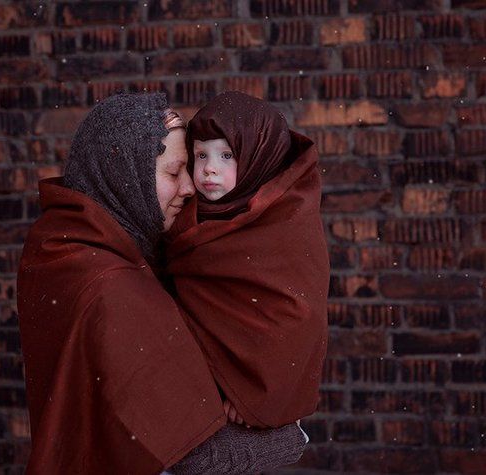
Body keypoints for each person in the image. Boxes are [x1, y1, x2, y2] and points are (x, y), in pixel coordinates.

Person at [17, 92, 306, 474]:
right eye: (174, 172)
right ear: (126, 178)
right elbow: (196, 460)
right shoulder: (113, 287)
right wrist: (292, 433)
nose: (190, 188)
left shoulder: (67, 250)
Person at [164, 91, 330, 429]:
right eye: (201, 155)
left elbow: (293, 317)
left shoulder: (282, 219)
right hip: (190, 392)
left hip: (241, 397)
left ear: (258, 159)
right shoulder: (182, 214)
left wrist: (253, 391)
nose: (210, 168)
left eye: (227, 155)